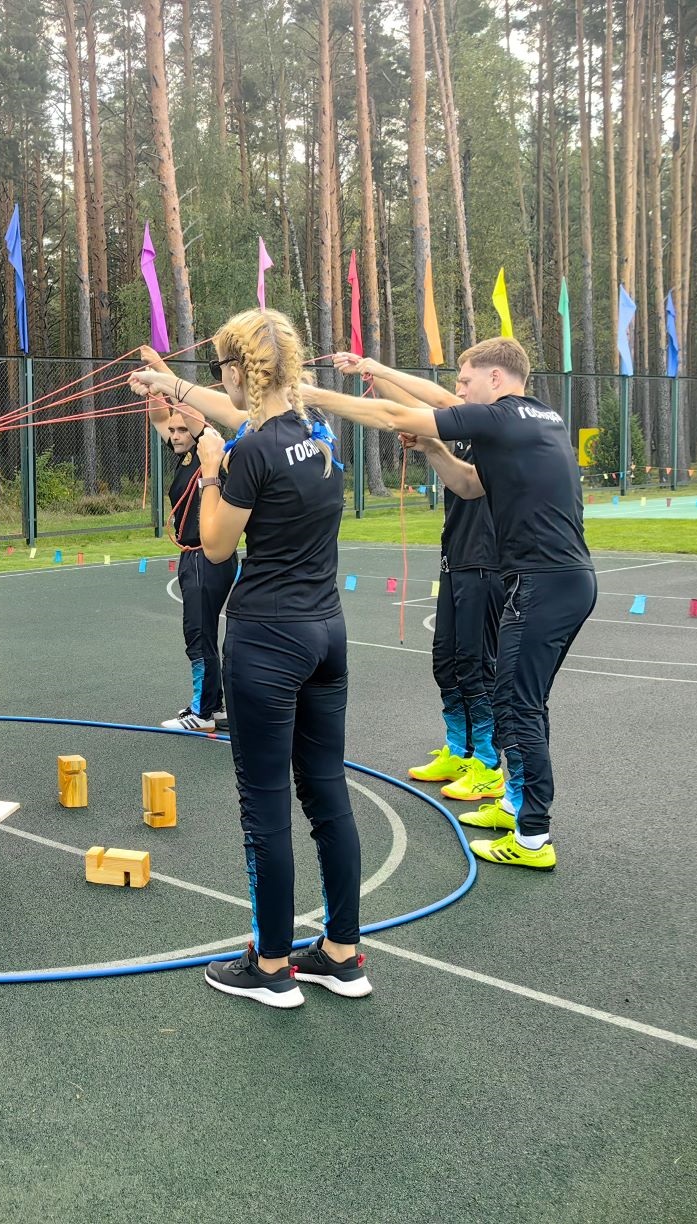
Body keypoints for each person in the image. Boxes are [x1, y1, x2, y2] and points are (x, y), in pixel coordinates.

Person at [302, 339, 595, 871]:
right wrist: (433, 447)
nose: (458, 390)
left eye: (465, 380)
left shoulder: (504, 417)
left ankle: (533, 837)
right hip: (555, 581)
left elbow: (396, 412)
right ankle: (517, 806)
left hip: (545, 582)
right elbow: (469, 484)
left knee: (517, 705)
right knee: (523, 701)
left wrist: (310, 394)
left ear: (496, 379)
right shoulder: (532, 419)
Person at [157, 309, 367, 1009]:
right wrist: (170, 385)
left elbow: (216, 545)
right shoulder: (316, 430)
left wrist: (211, 471)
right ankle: (341, 955)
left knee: (266, 806)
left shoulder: (247, 453)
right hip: (327, 633)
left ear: (237, 370)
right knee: (327, 794)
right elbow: (244, 417)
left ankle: (271, 965)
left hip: (268, 641)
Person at [353, 373, 505, 808]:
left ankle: (487, 764)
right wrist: (375, 377)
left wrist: (382, 375)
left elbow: (431, 409)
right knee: (447, 660)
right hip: (455, 560)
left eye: (466, 382)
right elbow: (418, 413)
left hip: (484, 562)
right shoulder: (464, 434)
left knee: (476, 665)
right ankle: (459, 750)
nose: (459, 390)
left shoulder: (497, 430)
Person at [130, 347, 252, 732]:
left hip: (206, 556)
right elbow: (160, 417)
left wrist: (159, 368)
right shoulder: (184, 455)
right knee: (203, 634)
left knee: (198, 635)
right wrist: (154, 390)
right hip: (195, 558)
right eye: (174, 431)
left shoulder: (208, 451)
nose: (176, 434)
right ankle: (214, 706)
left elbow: (193, 414)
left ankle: (202, 712)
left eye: (183, 430)